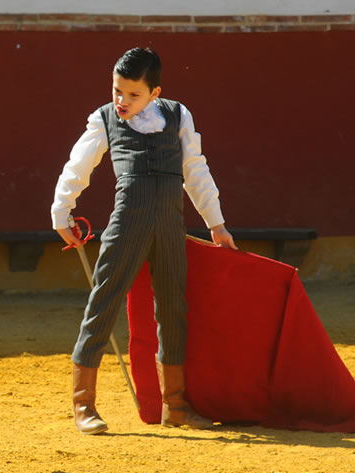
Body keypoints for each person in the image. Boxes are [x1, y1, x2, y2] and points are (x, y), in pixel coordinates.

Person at [51, 47, 237, 435]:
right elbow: (78, 164)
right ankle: (83, 404)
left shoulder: (177, 115)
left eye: (133, 94)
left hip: (170, 224)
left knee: (173, 307)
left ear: (155, 93)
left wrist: (216, 224)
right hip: (127, 224)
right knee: (104, 301)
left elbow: (195, 170)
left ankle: (177, 405)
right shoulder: (104, 119)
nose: (122, 101)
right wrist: (61, 210)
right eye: (117, 90)